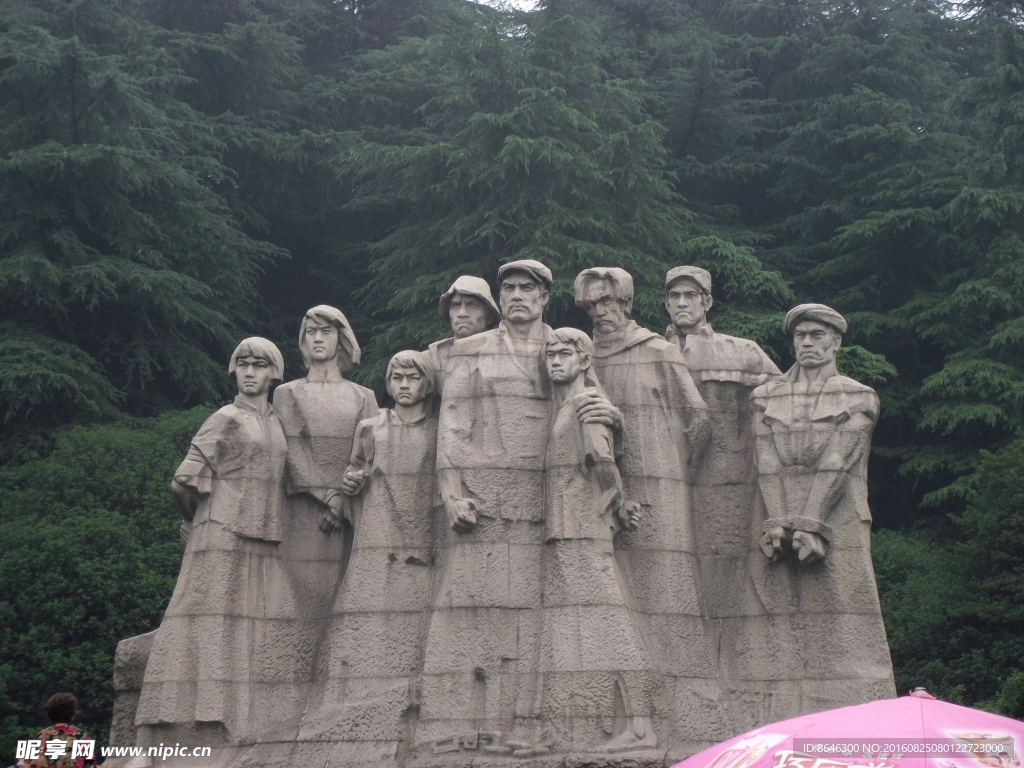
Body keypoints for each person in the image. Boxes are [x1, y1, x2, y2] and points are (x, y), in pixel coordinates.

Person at [420, 260, 620, 756]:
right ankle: (468, 722)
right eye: (507, 288)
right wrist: (451, 491)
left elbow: (593, 400)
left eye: (526, 288)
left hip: (551, 500)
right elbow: (453, 423)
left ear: (544, 295)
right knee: (475, 612)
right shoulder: (471, 349)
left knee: (536, 619)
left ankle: (531, 724)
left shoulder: (565, 343)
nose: (516, 296)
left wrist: (615, 415)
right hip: (484, 498)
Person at [574, 268, 729, 753]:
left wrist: (673, 469)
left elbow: (697, 418)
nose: (601, 310)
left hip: (660, 483)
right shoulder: (580, 355)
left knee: (667, 587)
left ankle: (689, 711)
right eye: (592, 303)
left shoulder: (657, 350)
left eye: (608, 301)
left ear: (627, 301)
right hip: (598, 492)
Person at [135, 338, 292, 746]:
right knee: (195, 626)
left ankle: (227, 721)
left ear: (273, 372)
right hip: (220, 531)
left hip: (261, 538)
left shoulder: (276, 421)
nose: (250, 372)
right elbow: (184, 480)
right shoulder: (225, 417)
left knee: (240, 633)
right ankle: (155, 732)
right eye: (243, 364)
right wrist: (197, 520)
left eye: (259, 365)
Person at [747, 304, 895, 716]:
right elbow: (766, 460)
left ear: (836, 341)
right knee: (772, 615)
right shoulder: (764, 396)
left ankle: (861, 711)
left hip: (838, 515)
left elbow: (838, 461)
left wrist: (810, 524)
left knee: (846, 607)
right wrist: (777, 520)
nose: (807, 343)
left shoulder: (858, 395)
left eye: (817, 335)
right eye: (800, 336)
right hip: (777, 515)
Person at [297, 351, 438, 751]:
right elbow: (353, 474)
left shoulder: (438, 429)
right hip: (375, 531)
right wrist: (348, 490)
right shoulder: (370, 428)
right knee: (361, 608)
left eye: (412, 378)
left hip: (419, 535)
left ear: (426, 384)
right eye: (397, 377)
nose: (404, 385)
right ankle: (347, 696)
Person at [663, 265, 782, 728]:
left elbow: (780, 402)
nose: (681, 304)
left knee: (725, 572)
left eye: (690, 296)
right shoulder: (652, 350)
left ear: (708, 302)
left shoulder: (741, 351)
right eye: (674, 297)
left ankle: (725, 672)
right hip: (664, 479)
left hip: (726, 479)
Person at [538, 328, 657, 754]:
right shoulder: (568, 405)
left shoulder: (587, 405)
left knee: (612, 624)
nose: (555, 360)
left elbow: (603, 459)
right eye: (550, 354)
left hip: (582, 526)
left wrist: (616, 504)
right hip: (568, 528)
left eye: (564, 354)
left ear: (584, 360)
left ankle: (641, 726)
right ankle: (615, 723)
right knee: (598, 625)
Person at [270, 306, 379, 729]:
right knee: (299, 602)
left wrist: (345, 497)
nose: (318, 339)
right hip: (301, 513)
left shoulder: (363, 396)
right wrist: (326, 495)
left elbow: (368, 452)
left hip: (349, 517)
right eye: (310, 332)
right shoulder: (287, 393)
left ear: (341, 339)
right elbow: (289, 451)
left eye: (326, 331)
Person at [427, 276, 500, 395]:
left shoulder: (503, 353)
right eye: (456, 305)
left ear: (489, 315)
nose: (462, 313)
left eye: (472, 305)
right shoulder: (432, 359)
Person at [29, 694, 96, 768]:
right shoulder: (82, 737)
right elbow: (90, 764)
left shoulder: (42, 736)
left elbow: (32, 763)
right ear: (72, 713)